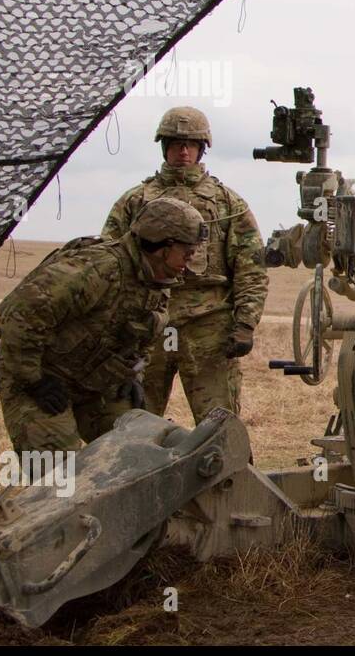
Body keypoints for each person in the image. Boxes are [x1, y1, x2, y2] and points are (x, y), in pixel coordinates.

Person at [0, 198, 205, 454]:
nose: (190, 260)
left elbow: (143, 338)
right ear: (163, 246)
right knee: (61, 475)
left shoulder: (157, 280)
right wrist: (34, 380)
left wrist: (134, 377)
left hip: (97, 387)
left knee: (146, 453)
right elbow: (19, 315)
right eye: (187, 252)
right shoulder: (97, 269)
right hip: (41, 380)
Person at [103, 106, 269, 422]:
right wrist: (115, 326)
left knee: (218, 424)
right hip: (148, 324)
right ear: (164, 146)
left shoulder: (227, 203)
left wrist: (245, 323)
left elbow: (251, 267)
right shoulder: (136, 201)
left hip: (208, 326)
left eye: (190, 144)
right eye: (176, 144)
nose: (183, 151)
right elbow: (111, 262)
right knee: (133, 422)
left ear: (201, 147)